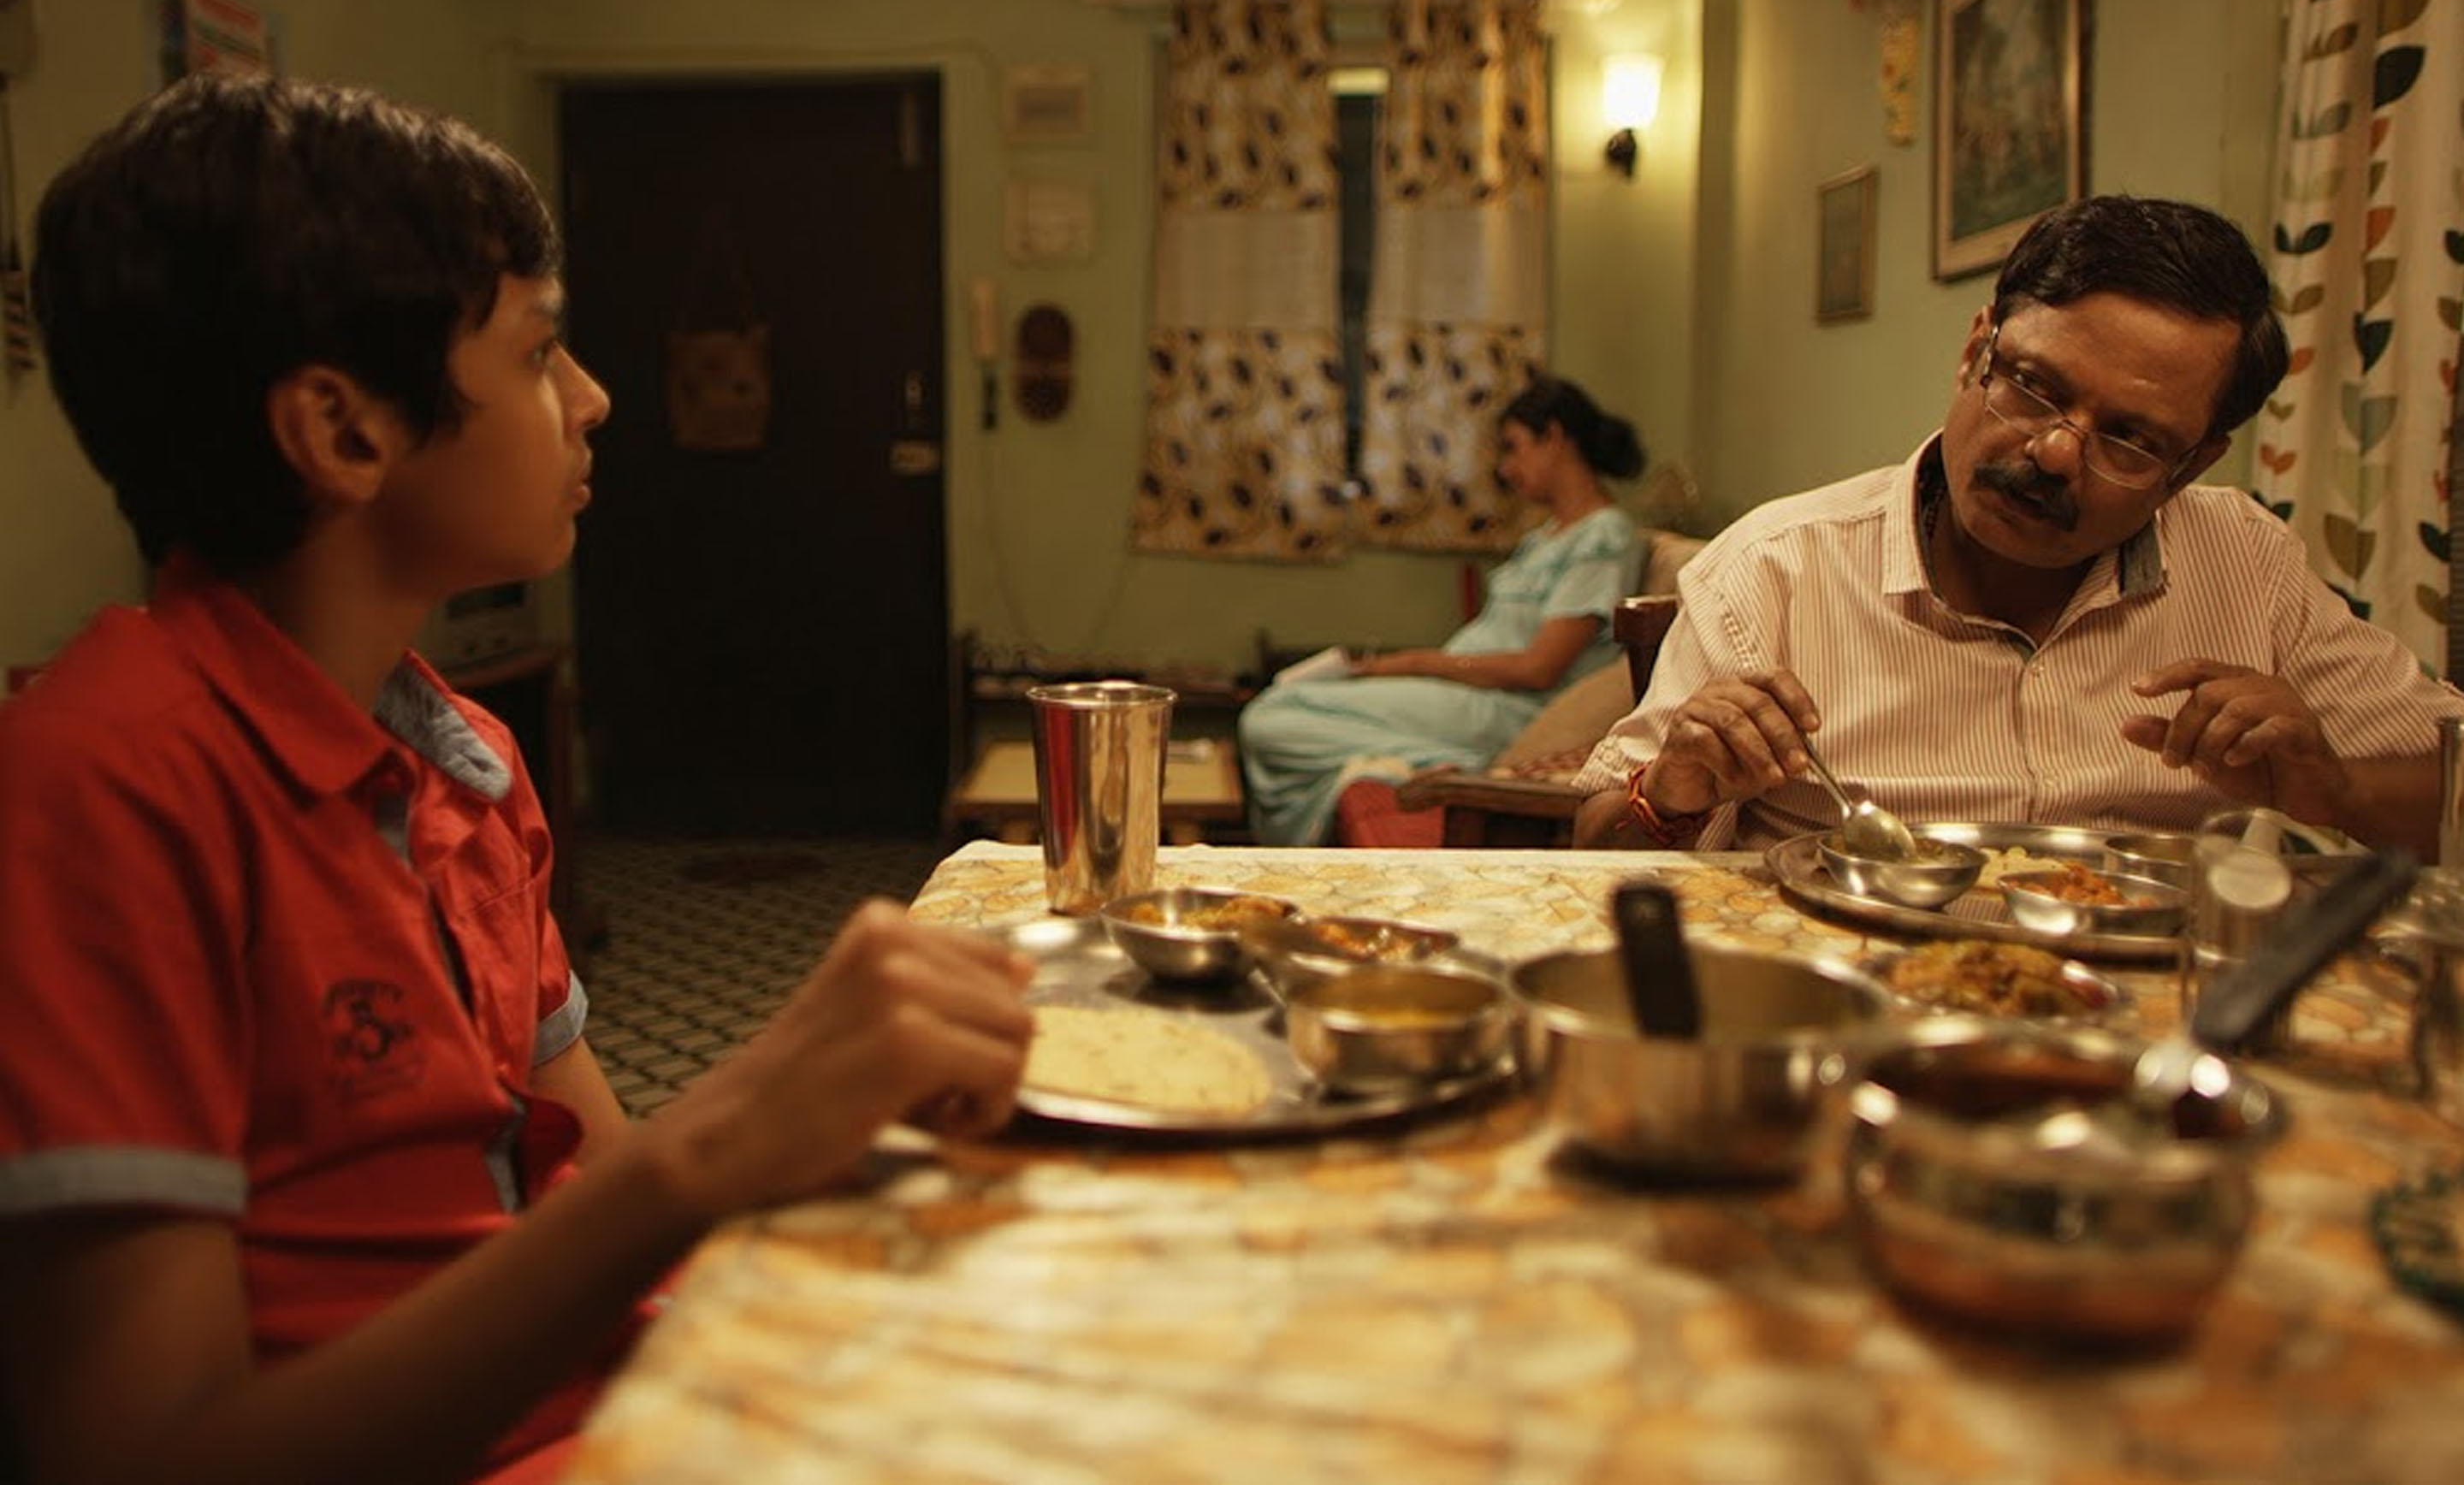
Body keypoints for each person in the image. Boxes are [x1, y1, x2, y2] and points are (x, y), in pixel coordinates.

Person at [0, 75, 1035, 1485]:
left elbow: (589, 1193)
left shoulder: (460, 767)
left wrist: (836, 1129)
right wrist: (721, 1139)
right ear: (345, 432)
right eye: (541, 351)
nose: (594, 399)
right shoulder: (99, 789)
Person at [1573, 193, 2464, 857]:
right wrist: (1674, 789)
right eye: (2034, 386)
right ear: (1976, 353)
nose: (2054, 453)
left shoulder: (2245, 563)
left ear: (2192, 465)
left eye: (2130, 438)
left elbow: (2447, 785)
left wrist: (2334, 787)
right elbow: (1592, 854)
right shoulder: (1779, 570)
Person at [1240, 376, 1649, 846]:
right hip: (1463, 692)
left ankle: (1439, 767)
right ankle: (1395, 760)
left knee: (1268, 721)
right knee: (1284, 698)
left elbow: (1539, 668)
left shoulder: (1605, 535)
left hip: (1502, 709)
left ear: (1554, 437)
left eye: (1513, 448)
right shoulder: (1544, 538)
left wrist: (1416, 663)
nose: (1506, 468)